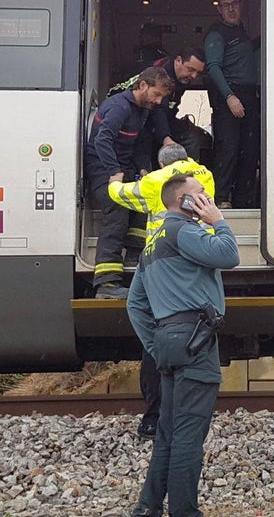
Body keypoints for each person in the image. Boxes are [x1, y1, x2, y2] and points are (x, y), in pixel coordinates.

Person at [127, 173, 239, 517]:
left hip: (168, 341)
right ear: (182, 201)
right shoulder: (184, 230)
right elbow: (228, 255)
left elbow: (135, 304)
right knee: (189, 434)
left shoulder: (152, 240)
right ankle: (184, 511)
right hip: (195, 341)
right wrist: (218, 221)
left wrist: (158, 343)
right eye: (199, 192)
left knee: (169, 432)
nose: (206, 195)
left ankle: (148, 507)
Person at [107, 142, 215, 439]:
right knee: (197, 334)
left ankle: (154, 417)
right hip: (196, 260)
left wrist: (115, 180)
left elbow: (121, 195)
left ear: (162, 165)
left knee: (157, 337)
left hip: (162, 261)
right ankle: (189, 416)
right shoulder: (204, 174)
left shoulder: (158, 181)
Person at [84, 66, 173, 299]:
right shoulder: (118, 107)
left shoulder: (142, 110)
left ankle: (134, 254)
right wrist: (114, 171)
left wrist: (144, 169)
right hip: (103, 169)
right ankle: (107, 283)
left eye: (162, 97)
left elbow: (139, 144)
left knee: (149, 198)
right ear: (142, 85)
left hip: (125, 168)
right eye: (157, 94)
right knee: (117, 211)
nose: (159, 100)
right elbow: (103, 140)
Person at [204, 0, 260, 208]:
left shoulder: (240, 32)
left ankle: (243, 201)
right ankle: (221, 198)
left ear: (241, 5)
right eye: (226, 5)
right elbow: (214, 67)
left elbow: (246, 51)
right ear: (219, 9)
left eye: (234, 3)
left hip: (248, 96)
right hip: (230, 97)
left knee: (250, 150)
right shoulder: (217, 34)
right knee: (229, 148)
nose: (231, 9)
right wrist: (229, 96)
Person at [109, 46, 208, 161]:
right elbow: (158, 108)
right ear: (178, 60)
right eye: (190, 69)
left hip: (152, 116)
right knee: (146, 139)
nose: (194, 76)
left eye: (198, 73)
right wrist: (165, 138)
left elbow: (169, 108)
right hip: (128, 113)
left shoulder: (182, 79)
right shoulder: (160, 73)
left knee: (190, 138)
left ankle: (187, 177)